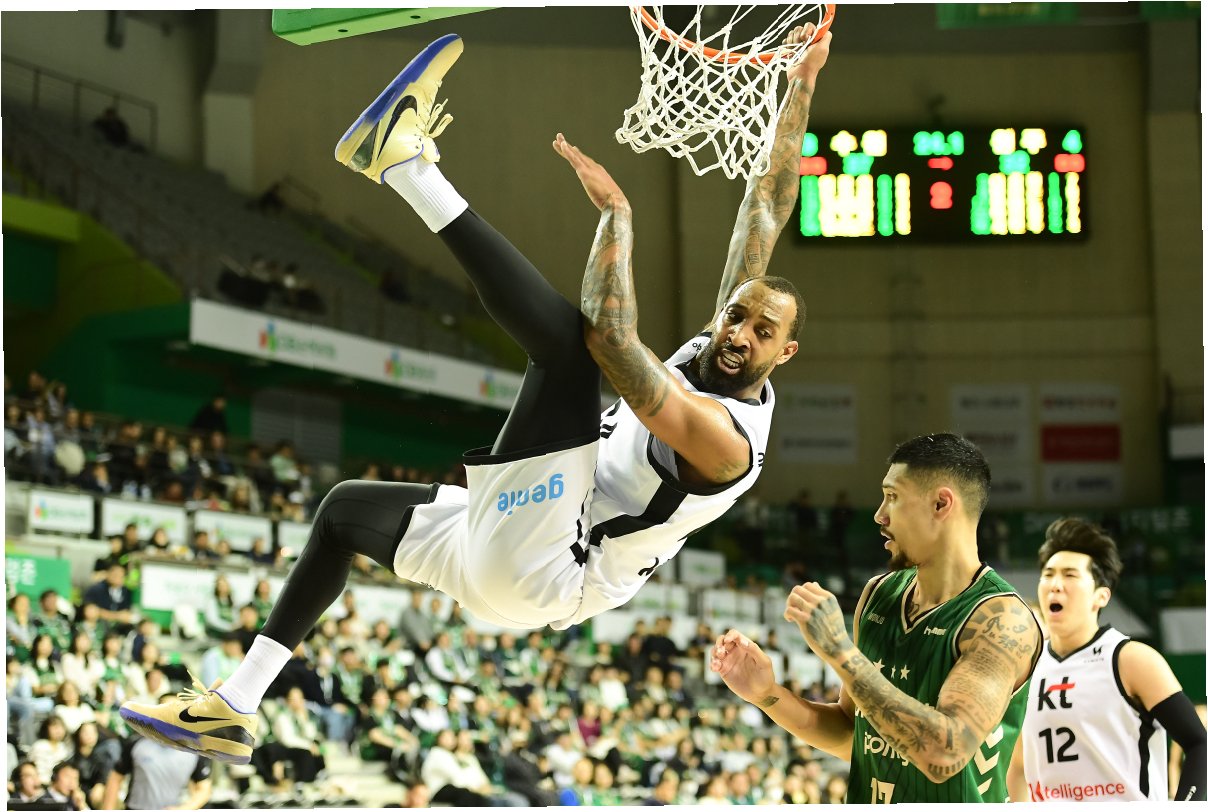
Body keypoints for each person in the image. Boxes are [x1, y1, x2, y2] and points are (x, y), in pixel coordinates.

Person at [119, 25, 829, 764]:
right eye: (735, 315)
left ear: (785, 353)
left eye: (762, 330)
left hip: (553, 565)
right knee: (341, 514)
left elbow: (611, 341)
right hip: (511, 552)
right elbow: (766, 205)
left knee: (571, 355)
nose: (739, 332)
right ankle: (234, 704)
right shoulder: (720, 342)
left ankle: (405, 166)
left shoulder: (726, 443)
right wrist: (802, 81)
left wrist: (616, 218)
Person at [711, 433, 1043, 802]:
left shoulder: (1002, 619)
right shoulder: (879, 594)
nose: (879, 515)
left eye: (892, 497)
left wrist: (839, 650)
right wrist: (768, 695)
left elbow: (945, 753)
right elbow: (853, 736)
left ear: (941, 504)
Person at [1005, 518, 1206, 802]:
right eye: (1048, 575)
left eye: (1070, 575)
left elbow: (1199, 744)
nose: (1055, 585)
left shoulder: (1131, 659)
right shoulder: (1027, 667)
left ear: (1101, 596)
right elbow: (1018, 765)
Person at [101, 721, 213, 811]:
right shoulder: (137, 743)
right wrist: (108, 809)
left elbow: (204, 789)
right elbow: (115, 777)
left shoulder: (194, 751)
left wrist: (185, 808)